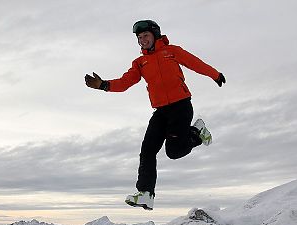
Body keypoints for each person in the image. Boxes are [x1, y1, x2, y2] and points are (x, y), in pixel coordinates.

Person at [85, 20, 225, 210]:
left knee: (174, 152)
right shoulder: (140, 63)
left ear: (155, 35)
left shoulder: (172, 51)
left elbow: (195, 63)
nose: (142, 40)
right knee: (147, 150)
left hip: (181, 106)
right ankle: (145, 194)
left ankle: (197, 132)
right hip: (160, 111)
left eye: (146, 36)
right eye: (139, 38)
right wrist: (104, 85)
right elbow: (126, 82)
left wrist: (215, 74)